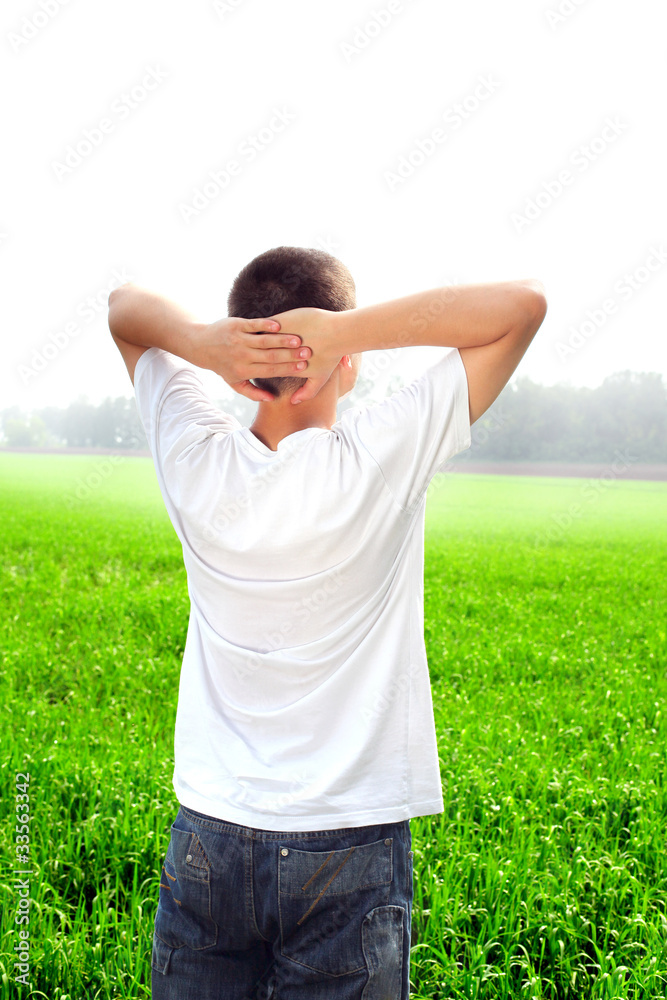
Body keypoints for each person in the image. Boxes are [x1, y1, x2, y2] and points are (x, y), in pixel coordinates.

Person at [108, 246, 547, 1000]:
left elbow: (125, 309)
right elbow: (523, 304)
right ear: (339, 359)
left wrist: (209, 342)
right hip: (348, 838)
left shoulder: (194, 455)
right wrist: (344, 332)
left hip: (211, 834)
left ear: (240, 364)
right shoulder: (374, 457)